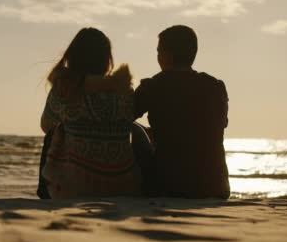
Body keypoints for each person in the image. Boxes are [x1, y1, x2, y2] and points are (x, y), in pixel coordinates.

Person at [39, 28, 142, 199]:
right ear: (106, 60)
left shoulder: (65, 89)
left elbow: (45, 125)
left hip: (74, 188)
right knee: (137, 130)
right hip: (125, 187)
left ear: (72, 57)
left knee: (52, 134)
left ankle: (44, 193)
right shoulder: (124, 89)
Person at [134, 25, 230, 199]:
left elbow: (122, 115)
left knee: (134, 129)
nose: (157, 57)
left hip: (170, 186)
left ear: (167, 55)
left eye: (158, 52)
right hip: (216, 186)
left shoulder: (153, 86)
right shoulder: (215, 87)